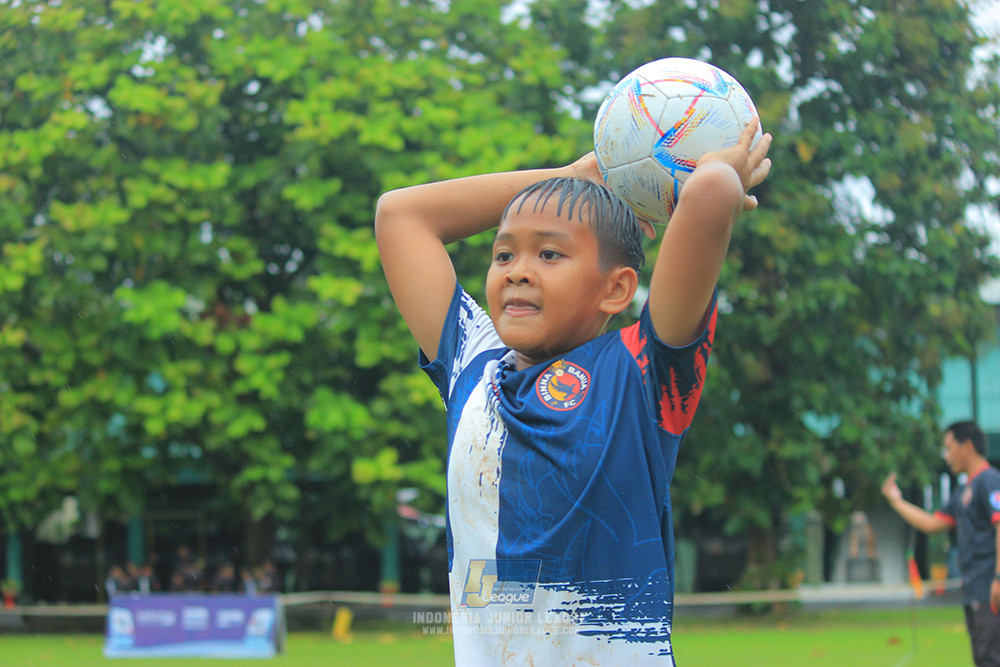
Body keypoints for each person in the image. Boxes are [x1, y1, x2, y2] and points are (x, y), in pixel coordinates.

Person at [375, 120, 771, 665]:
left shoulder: (639, 372)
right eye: (503, 255)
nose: (517, 272)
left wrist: (715, 173)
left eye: (550, 254)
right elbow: (399, 215)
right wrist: (572, 176)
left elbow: (710, 191)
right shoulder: (473, 367)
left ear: (617, 289)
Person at [882, 420, 1000, 667]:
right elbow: (932, 524)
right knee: (983, 659)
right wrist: (896, 501)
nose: (946, 456)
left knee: (991, 658)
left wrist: (998, 579)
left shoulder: (989, 481)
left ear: (967, 446)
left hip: (991, 588)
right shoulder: (963, 490)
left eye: (949, 448)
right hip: (974, 589)